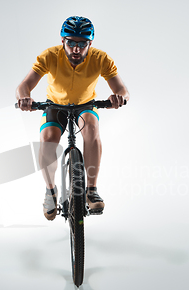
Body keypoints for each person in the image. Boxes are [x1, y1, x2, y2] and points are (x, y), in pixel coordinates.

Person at [16, 16, 130, 221]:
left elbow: (122, 89)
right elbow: (23, 86)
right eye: (71, 43)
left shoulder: (101, 59)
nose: (76, 49)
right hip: (54, 106)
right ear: (63, 41)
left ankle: (91, 190)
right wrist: (24, 98)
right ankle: (50, 191)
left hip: (85, 106)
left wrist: (119, 98)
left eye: (82, 44)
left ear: (90, 44)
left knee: (92, 129)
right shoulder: (49, 56)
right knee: (48, 138)